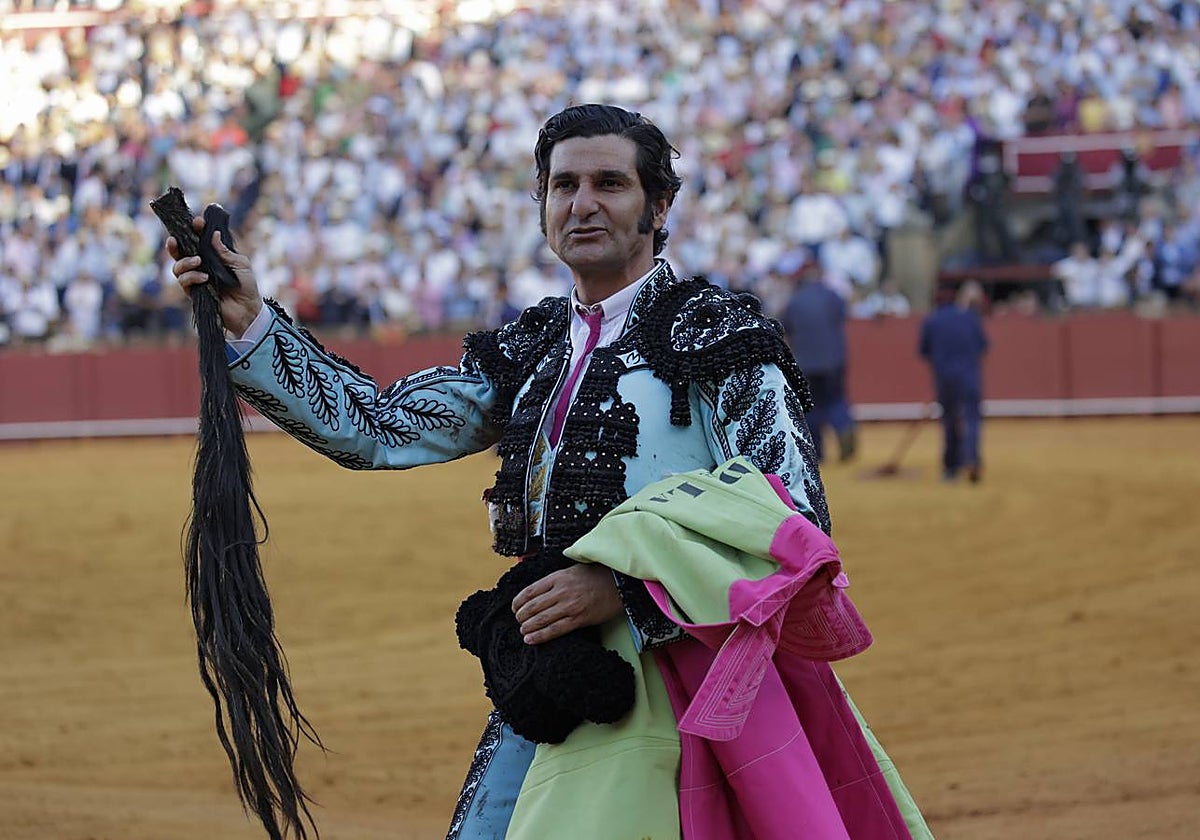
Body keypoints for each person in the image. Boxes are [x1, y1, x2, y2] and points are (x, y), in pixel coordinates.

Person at [168, 103, 929, 840]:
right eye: (564, 186)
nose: (583, 204)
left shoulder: (717, 336)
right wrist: (250, 318)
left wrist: (628, 588)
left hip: (694, 677)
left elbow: (790, 514)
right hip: (556, 673)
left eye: (610, 184)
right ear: (542, 204)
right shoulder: (535, 347)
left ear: (658, 206)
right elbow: (381, 425)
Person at [781, 259, 858, 463]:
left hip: (806, 363)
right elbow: (842, 317)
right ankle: (843, 426)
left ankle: (817, 451)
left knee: (810, 406)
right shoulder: (832, 296)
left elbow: (786, 330)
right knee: (836, 399)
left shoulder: (794, 302)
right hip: (833, 360)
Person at [919, 280, 989, 483]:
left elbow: (924, 351)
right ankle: (972, 458)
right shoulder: (970, 318)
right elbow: (983, 347)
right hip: (969, 377)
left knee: (950, 422)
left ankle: (951, 468)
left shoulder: (932, 321)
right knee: (972, 420)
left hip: (945, 379)